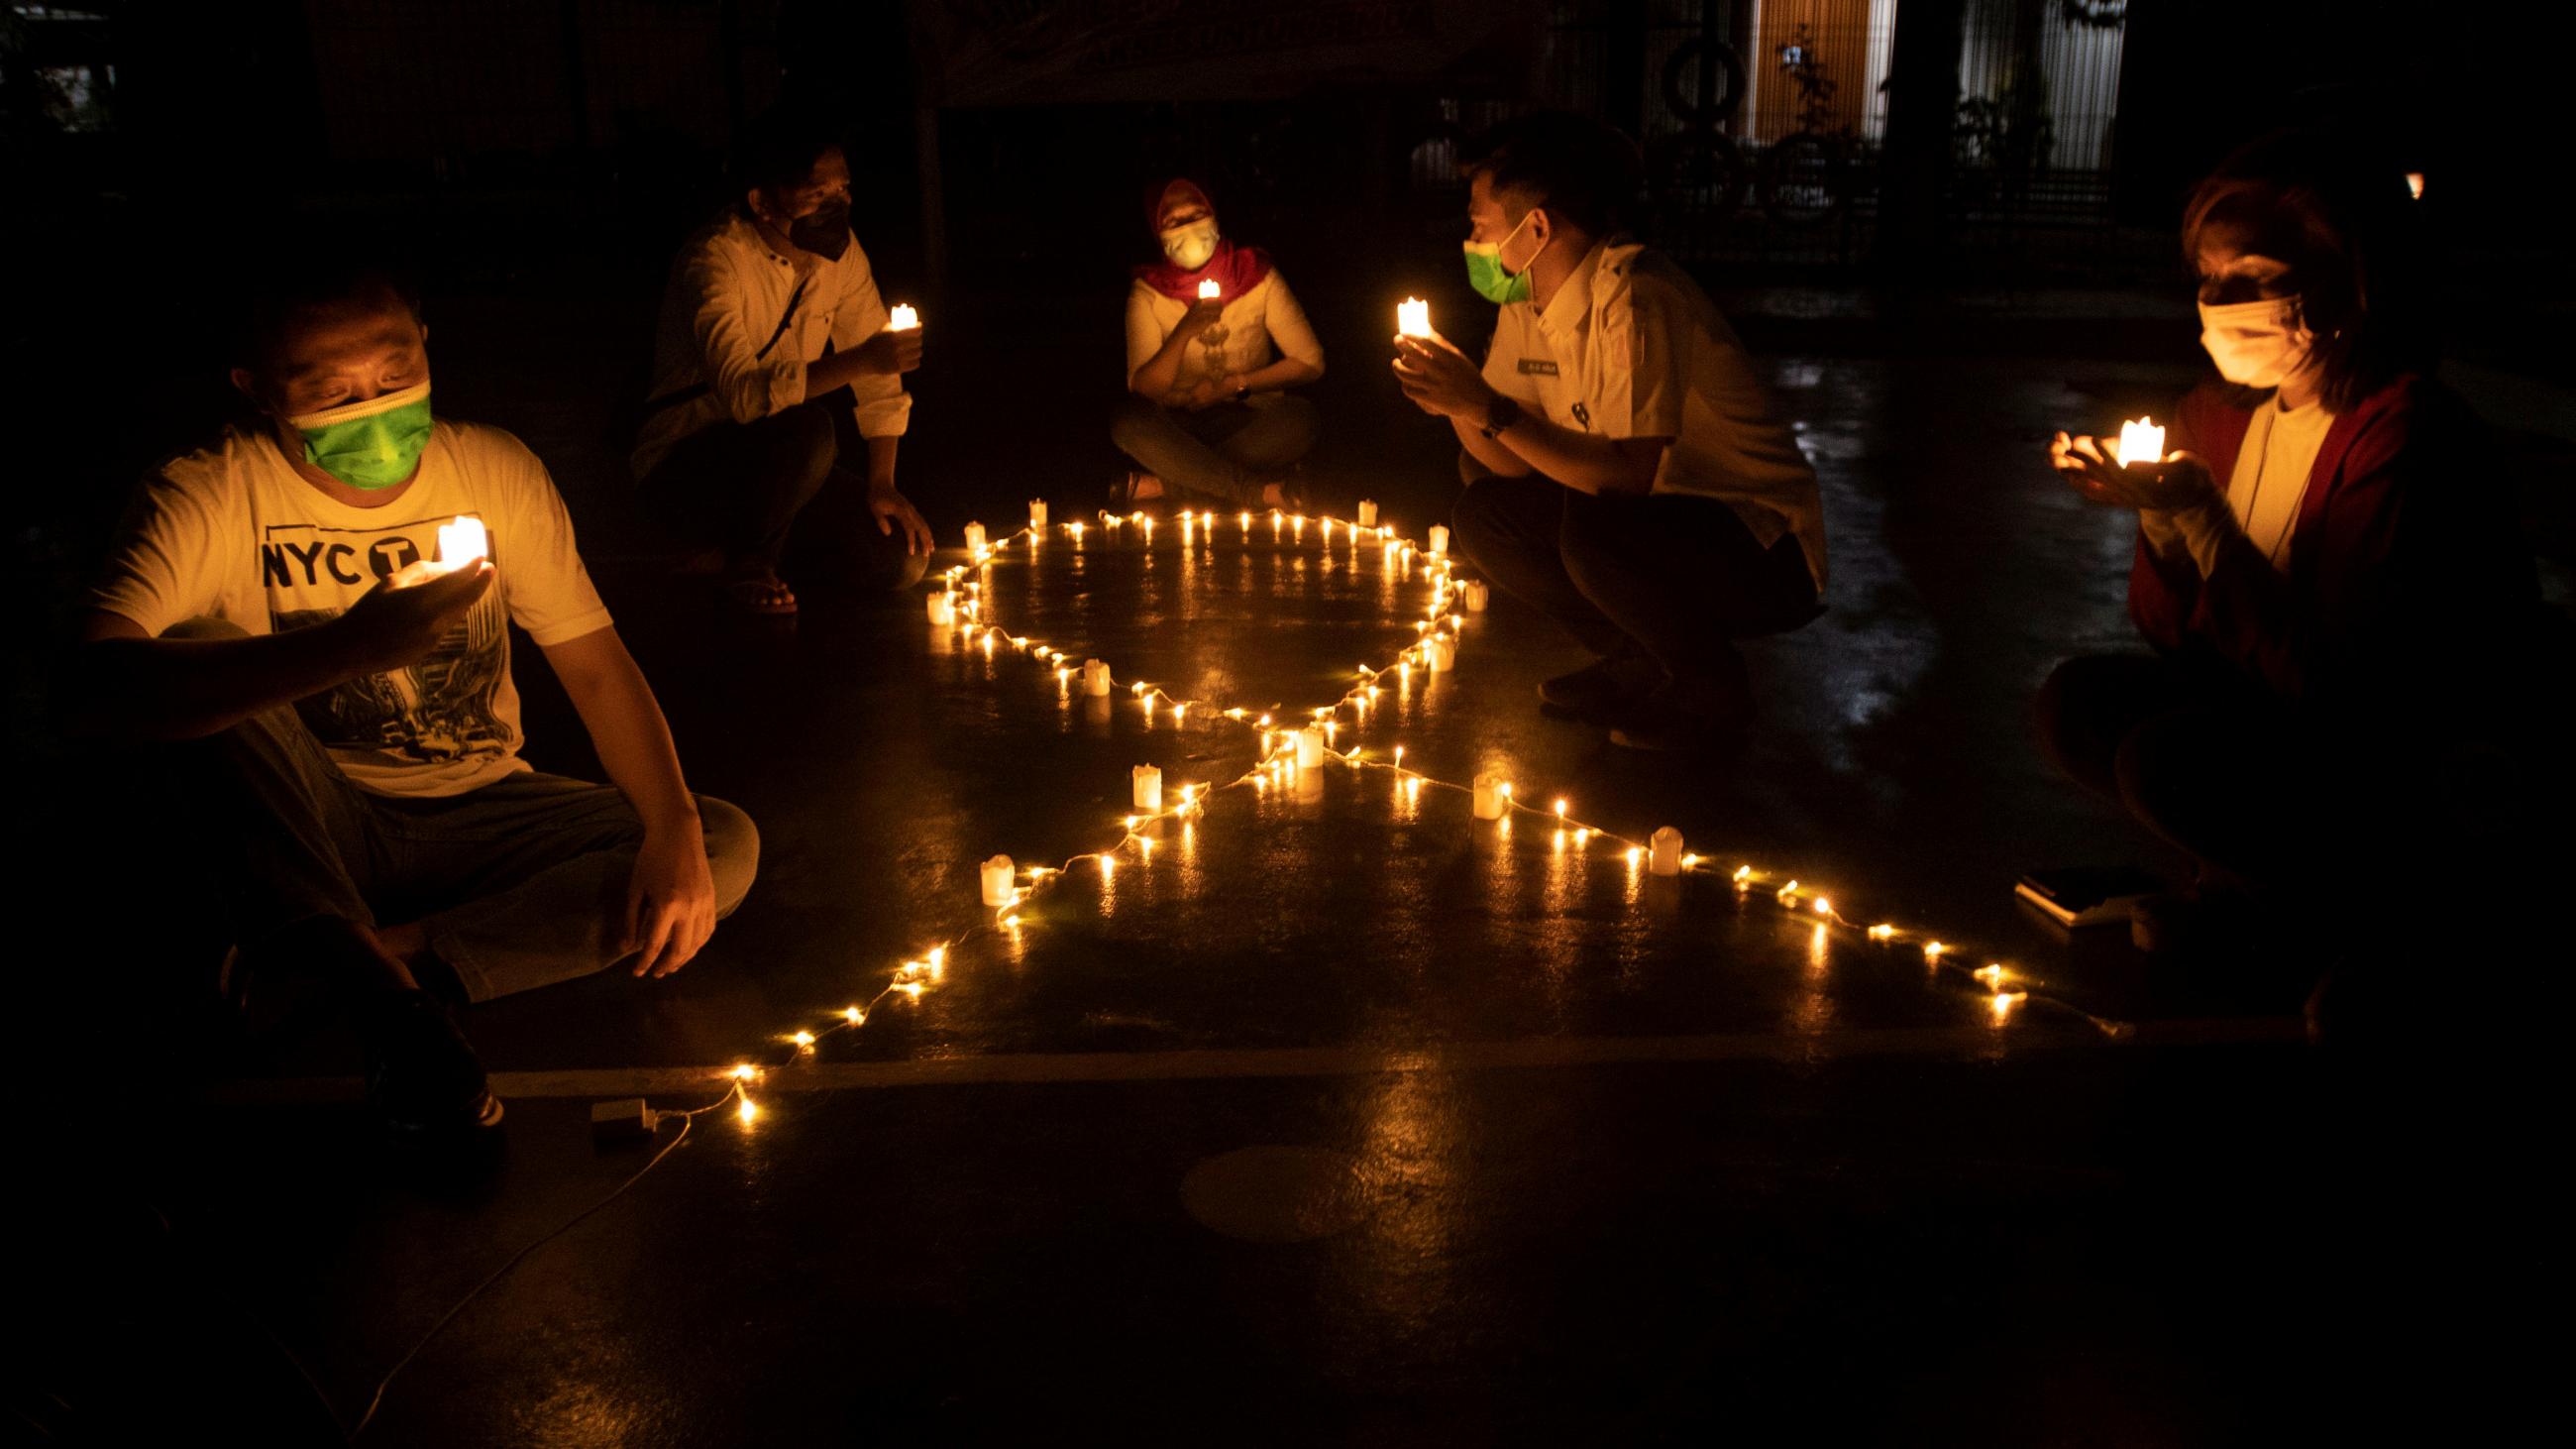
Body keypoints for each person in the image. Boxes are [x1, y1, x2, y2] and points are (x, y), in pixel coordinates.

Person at [70, 261, 760, 1134]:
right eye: (329, 391)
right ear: (255, 388)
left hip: (485, 808)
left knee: (720, 844)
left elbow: (592, 662)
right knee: (197, 653)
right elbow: (96, 688)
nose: (371, 409)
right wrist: (349, 647)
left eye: (394, 378)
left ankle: (363, 956)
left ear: (427, 347)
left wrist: (674, 828)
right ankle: (389, 997)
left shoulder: (493, 468)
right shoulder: (210, 493)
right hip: (314, 819)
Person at [2040, 130, 2548, 956]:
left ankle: (2340, 914)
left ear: (2344, 286)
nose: (2219, 301)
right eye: (2208, 278)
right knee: (2078, 704)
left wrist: (2205, 520)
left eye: (2252, 280)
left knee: (2165, 759)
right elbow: (2175, 639)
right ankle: (2250, 888)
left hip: (2399, 761)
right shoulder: (2218, 415)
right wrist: (2162, 522)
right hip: (2279, 715)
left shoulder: (2400, 435)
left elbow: (2340, 688)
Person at [1393, 112, 1826, 749]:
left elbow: (1628, 474)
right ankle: (1640, 662)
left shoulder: (1635, 296)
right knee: (1488, 511)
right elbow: (1511, 461)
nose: (1473, 240)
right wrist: (1455, 401)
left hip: (1761, 546)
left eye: (1480, 224)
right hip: (1661, 522)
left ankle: (1712, 693)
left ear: (1535, 226)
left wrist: (1487, 407)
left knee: (1595, 523)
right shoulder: (1534, 304)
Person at [634, 109, 931, 617]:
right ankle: (748, 560)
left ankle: (733, 551)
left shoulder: (844, 255)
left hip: (783, 473)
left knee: (897, 561)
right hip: (690, 464)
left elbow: (881, 383)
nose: (838, 205)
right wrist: (863, 359)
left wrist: (882, 484)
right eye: (818, 194)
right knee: (810, 431)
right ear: (762, 202)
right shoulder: (714, 261)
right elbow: (747, 398)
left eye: (844, 190)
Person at [1110, 178, 1324, 511]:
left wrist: (1230, 387)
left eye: (1197, 215)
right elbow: (1144, 388)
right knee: (1129, 423)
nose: (1189, 228)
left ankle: (1169, 481)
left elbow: (1310, 362)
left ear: (1214, 217)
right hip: (1179, 427)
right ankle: (1255, 492)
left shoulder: (1257, 275)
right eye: (1175, 222)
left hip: (1249, 418)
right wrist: (1185, 330)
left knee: (1301, 419)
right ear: (1158, 231)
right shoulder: (1148, 292)